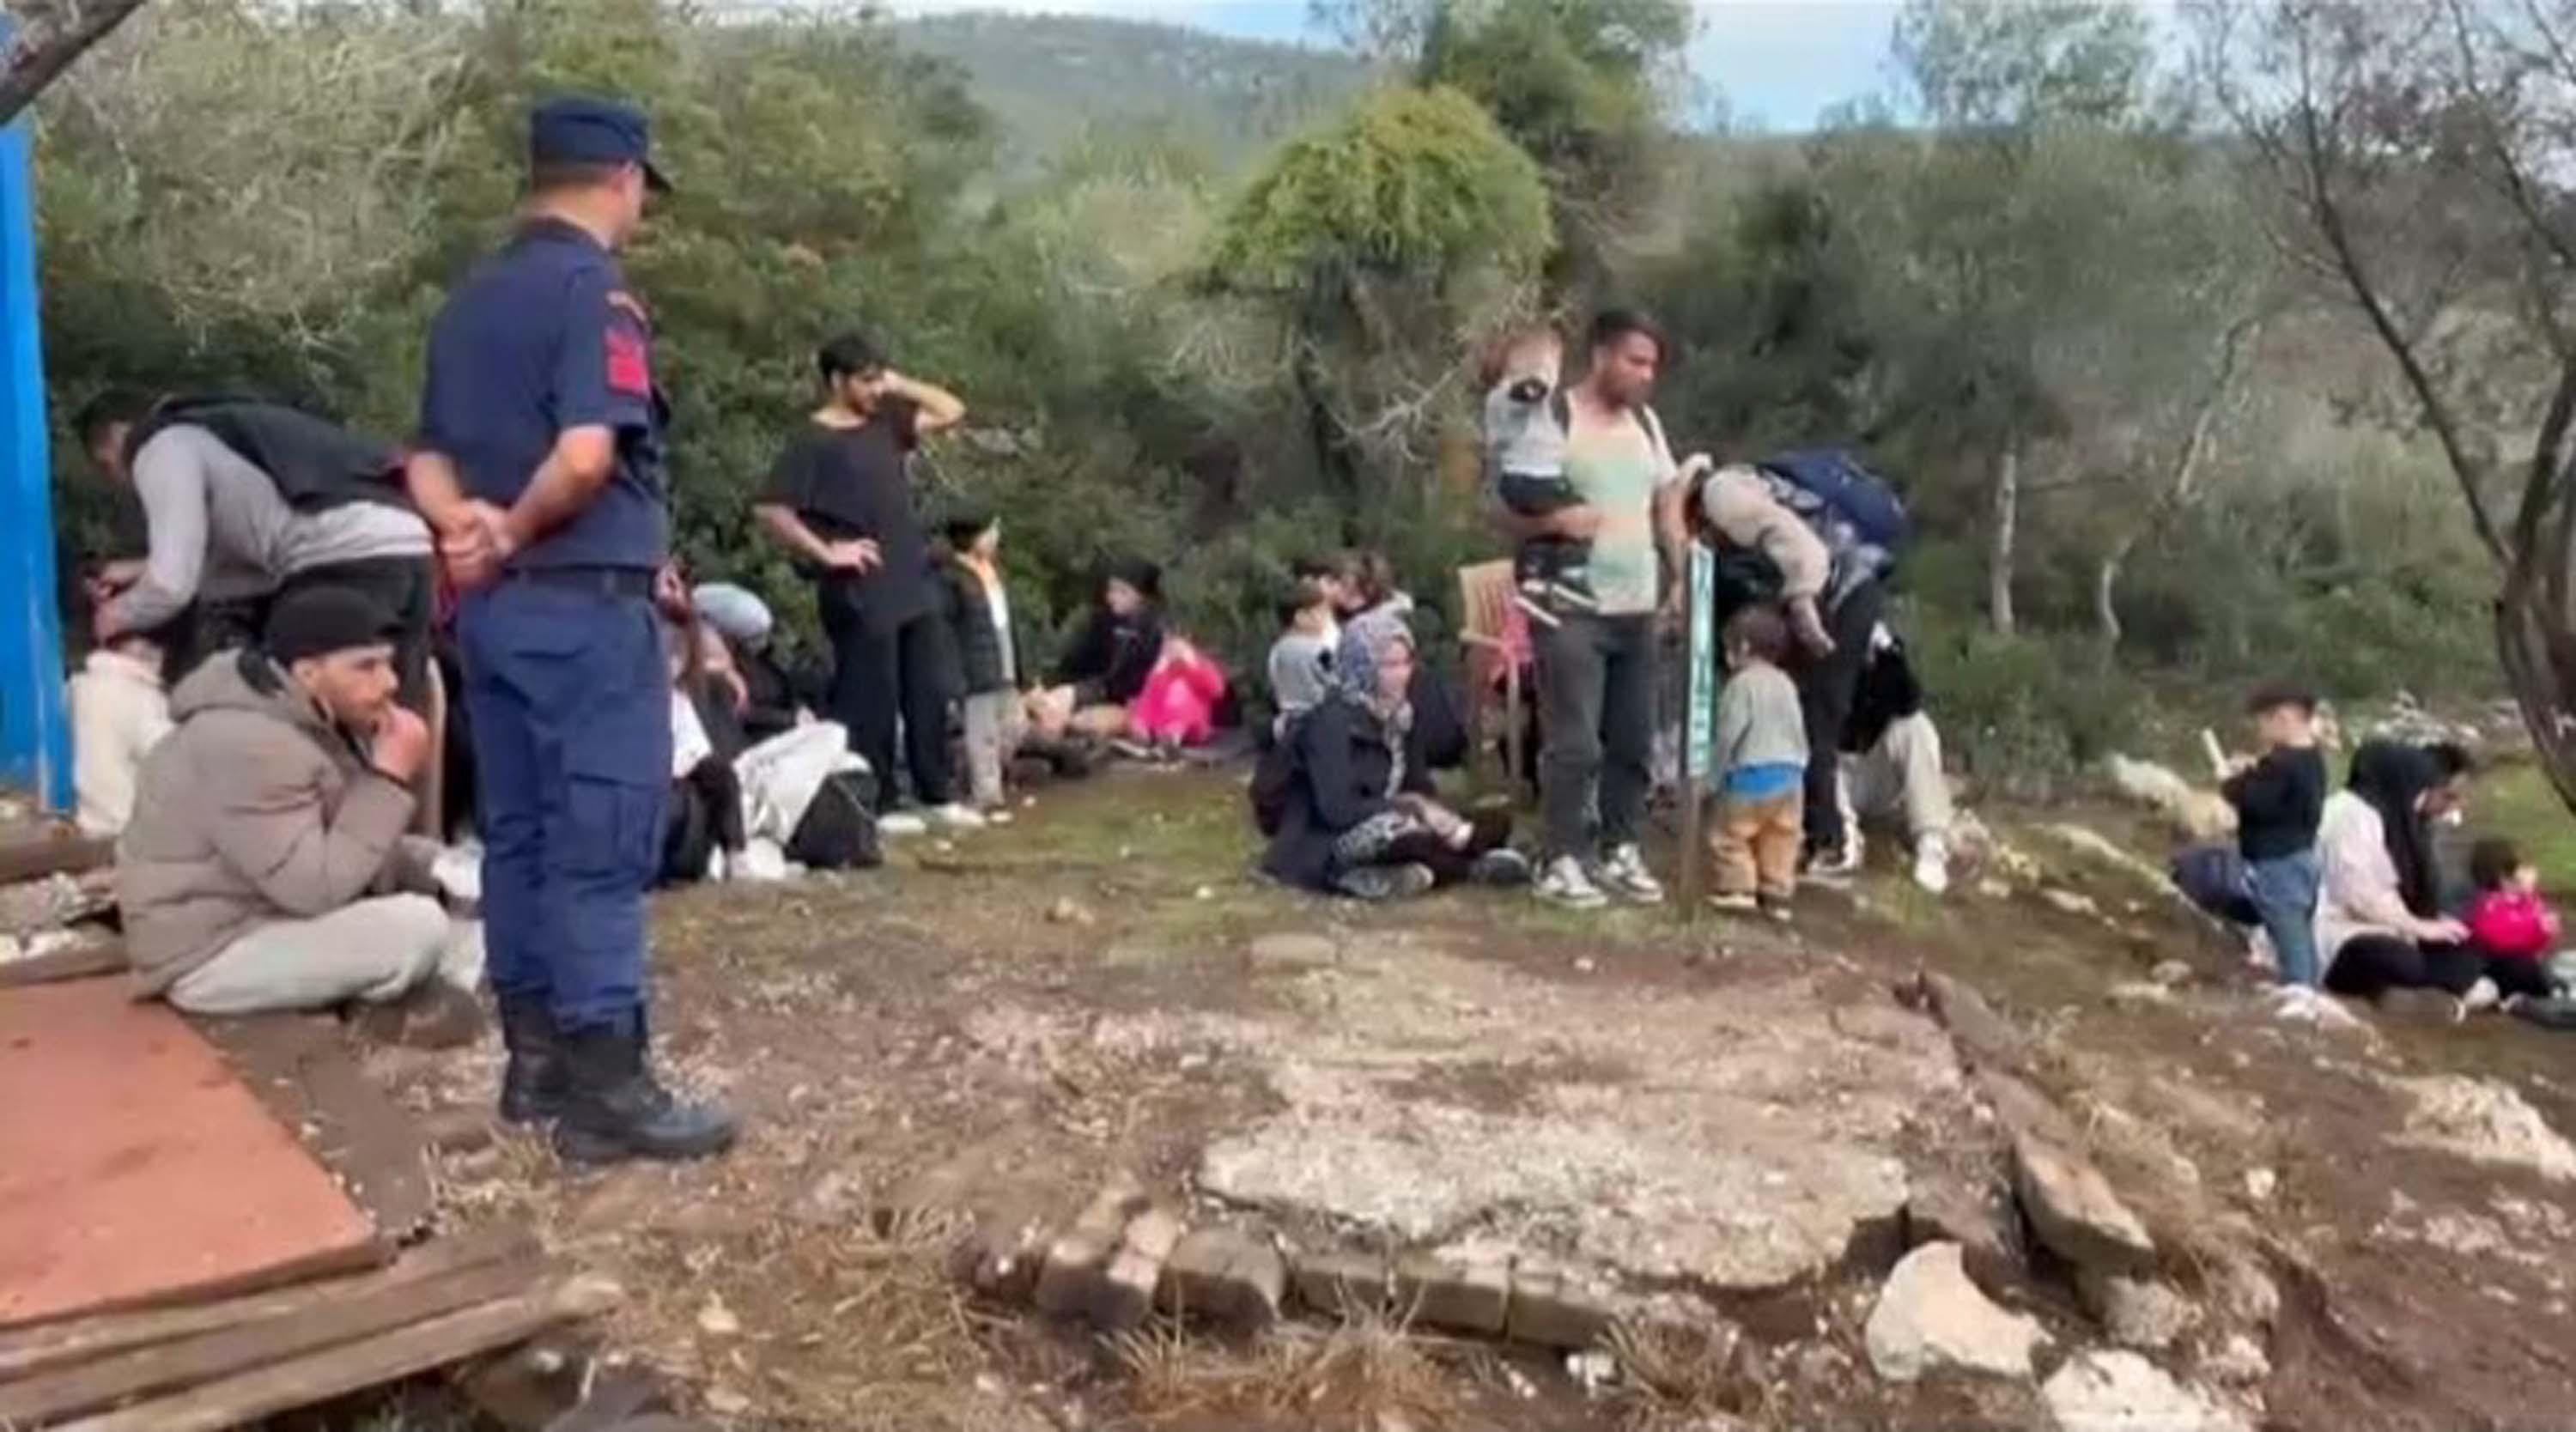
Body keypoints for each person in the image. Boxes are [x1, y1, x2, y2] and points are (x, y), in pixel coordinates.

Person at [404, 95, 735, 1163]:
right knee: (600, 842)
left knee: (522, 837)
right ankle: (610, 1092)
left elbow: (425, 456)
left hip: (493, 620)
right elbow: (589, 456)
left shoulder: (469, 303)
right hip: (583, 609)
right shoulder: (594, 295)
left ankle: (535, 1068)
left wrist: (463, 528)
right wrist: (510, 530)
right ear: (623, 179)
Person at [117, 587, 477, 1023]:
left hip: (263, 917)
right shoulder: (247, 744)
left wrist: (444, 869)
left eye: (387, 663)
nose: (390, 683)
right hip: (207, 956)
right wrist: (387, 780)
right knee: (417, 927)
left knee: (451, 892)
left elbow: (336, 838)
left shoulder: (303, 718)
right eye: (366, 666)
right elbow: (316, 890)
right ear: (308, 673)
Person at [76, 391, 438, 706]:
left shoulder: (161, 448)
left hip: (342, 559)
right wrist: (137, 570)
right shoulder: (216, 438)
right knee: (395, 710)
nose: (121, 482)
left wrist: (113, 616)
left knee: (308, 712)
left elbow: (171, 585)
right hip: (406, 542)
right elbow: (231, 563)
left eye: (107, 468)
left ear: (115, 438)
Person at [753, 332, 979, 832]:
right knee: (872, 696)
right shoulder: (812, 440)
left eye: (879, 378)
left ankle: (936, 792)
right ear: (837, 380)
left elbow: (951, 410)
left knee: (928, 689)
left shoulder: (887, 422)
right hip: (860, 587)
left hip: (911, 578)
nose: (876, 389)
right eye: (866, 380)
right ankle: (880, 803)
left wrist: (900, 383)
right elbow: (772, 509)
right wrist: (826, 551)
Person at [1498, 309, 1685, 910]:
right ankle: (1561, 857)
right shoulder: (1554, 417)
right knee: (1576, 741)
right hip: (1570, 605)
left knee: (1633, 738)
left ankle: (1619, 847)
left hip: (1636, 604)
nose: (1645, 375)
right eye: (1635, 361)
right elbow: (1505, 510)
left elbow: (1666, 501)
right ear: (1602, 355)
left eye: (1652, 366)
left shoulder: (1646, 424)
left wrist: (1680, 574)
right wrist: (1556, 521)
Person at [1260, 623, 1524, 899]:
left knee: (1492, 822)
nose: (1402, 675)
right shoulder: (1330, 723)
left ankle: (1419, 869)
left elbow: (1418, 784)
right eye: (1390, 666)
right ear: (1364, 667)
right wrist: (1409, 807)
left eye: (1406, 663)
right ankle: (1471, 867)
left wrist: (1438, 817)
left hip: (1397, 816)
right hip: (1328, 835)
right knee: (1409, 839)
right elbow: (1336, 808)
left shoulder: (1401, 717)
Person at [2315, 740, 2523, 1012]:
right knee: (2397, 959)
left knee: (2470, 946)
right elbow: (2359, 895)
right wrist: (2419, 927)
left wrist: (2430, 924)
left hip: (2387, 927)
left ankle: (2443, 988)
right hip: (2341, 931)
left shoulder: (2389, 817)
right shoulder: (2349, 815)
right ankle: (2434, 991)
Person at [1482, 326, 1594, 617]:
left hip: (1521, 480)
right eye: (1553, 367)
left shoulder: (1500, 400)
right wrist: (1536, 383)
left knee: (1542, 537)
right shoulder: (1509, 394)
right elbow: (1523, 394)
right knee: (1582, 512)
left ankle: (1533, 579)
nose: (1556, 376)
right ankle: (1569, 575)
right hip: (1534, 477)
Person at [2223, 684, 2327, 989]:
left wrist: (2232, 784)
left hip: (2278, 861)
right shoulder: (2311, 760)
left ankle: (2300, 990)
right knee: (2300, 931)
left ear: (2283, 718)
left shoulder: (2282, 764)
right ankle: (2305, 984)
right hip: (2302, 855)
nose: (2259, 731)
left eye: (2262, 721)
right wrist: (2252, 773)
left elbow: (2258, 802)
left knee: (2288, 931)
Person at [1706, 607, 1807, 920]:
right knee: (1781, 837)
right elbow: (1798, 729)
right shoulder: (1786, 683)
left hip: (1750, 775)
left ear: (1744, 647)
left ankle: (1738, 888)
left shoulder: (1741, 685)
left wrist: (1712, 776)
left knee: (1731, 835)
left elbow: (1729, 734)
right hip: (1791, 777)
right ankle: (1776, 891)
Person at [1838, 623, 1953, 895]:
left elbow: (1908, 702)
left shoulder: (1880, 654)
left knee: (1915, 727)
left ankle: (1931, 843)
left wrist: (1888, 656)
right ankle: (1840, 838)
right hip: (1831, 777)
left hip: (1874, 772)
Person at [937, 513, 1026, 816]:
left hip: (1003, 657)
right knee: (982, 733)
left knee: (1015, 726)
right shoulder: (951, 577)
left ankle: (975, 775)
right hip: (975, 668)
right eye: (991, 532)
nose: (995, 538)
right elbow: (947, 633)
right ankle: (987, 794)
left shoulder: (993, 571)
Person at [69, 628, 174, 838]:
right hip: (129, 824)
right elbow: (169, 759)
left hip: (85, 822)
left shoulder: (76, 687)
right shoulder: (142, 696)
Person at [1052, 561, 1168, 739]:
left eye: (1122, 592)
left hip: (1131, 703)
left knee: (1074, 718)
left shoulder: (1152, 631)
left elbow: (1137, 680)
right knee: (1056, 700)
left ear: (1140, 596)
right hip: (1099, 689)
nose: (1112, 597)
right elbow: (1080, 660)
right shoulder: (1104, 621)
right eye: (1111, 590)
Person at [2464, 839, 2562, 997]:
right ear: (2505, 877)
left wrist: (2544, 932)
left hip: (2525, 961)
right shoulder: (2489, 904)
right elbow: (2498, 938)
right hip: (2495, 964)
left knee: (2540, 968)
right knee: (2524, 968)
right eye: (2526, 869)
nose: (2534, 873)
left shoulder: (2530, 901)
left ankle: (2551, 989)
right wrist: (2536, 928)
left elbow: (2533, 944)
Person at [1267, 575, 1339, 731]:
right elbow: (1335, 682)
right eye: (1320, 613)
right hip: (1319, 723)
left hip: (1287, 724)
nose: (1325, 619)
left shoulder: (1277, 650)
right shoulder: (1320, 651)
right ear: (1300, 617)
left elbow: (1275, 684)